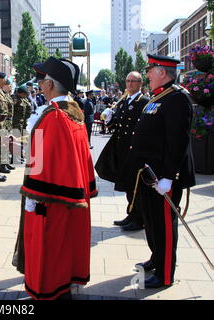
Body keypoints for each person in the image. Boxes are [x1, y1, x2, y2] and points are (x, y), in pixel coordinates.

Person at [13, 57, 97, 300]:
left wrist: (33, 197)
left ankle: (48, 290)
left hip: (51, 197)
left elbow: (46, 161)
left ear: (49, 84)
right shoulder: (74, 111)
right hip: (69, 192)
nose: (39, 85)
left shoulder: (55, 115)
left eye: (42, 81)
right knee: (66, 245)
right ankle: (63, 284)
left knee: (48, 248)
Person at [128, 55, 195, 289]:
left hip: (164, 177)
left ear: (163, 72)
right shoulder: (158, 97)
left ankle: (166, 274)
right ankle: (156, 258)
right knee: (152, 221)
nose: (147, 75)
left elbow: (177, 142)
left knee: (164, 225)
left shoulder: (177, 98)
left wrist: (169, 176)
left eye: (151, 70)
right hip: (149, 175)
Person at [95, 71, 149, 232]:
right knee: (127, 184)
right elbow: (117, 126)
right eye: (128, 81)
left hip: (134, 150)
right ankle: (131, 214)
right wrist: (110, 119)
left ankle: (138, 219)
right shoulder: (124, 100)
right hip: (122, 149)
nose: (130, 84)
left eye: (133, 81)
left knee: (135, 186)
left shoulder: (144, 101)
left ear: (140, 83)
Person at [12, 84, 31, 164]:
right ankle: (14, 158)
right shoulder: (14, 98)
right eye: (24, 94)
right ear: (20, 93)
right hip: (16, 123)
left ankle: (19, 156)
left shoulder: (23, 99)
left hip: (22, 123)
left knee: (21, 140)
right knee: (16, 141)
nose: (25, 96)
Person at [2, 79, 16, 170]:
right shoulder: (2, 95)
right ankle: (3, 165)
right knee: (4, 144)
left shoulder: (7, 95)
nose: (10, 87)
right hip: (4, 123)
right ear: (4, 85)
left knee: (8, 144)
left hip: (8, 123)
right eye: (9, 85)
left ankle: (6, 162)